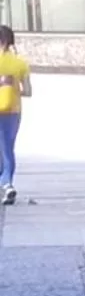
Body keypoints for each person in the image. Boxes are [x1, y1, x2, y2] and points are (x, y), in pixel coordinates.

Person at [0, 24, 29, 206]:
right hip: (14, 111)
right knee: (8, 149)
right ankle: (7, 183)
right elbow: (28, 91)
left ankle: (6, 184)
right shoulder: (20, 63)